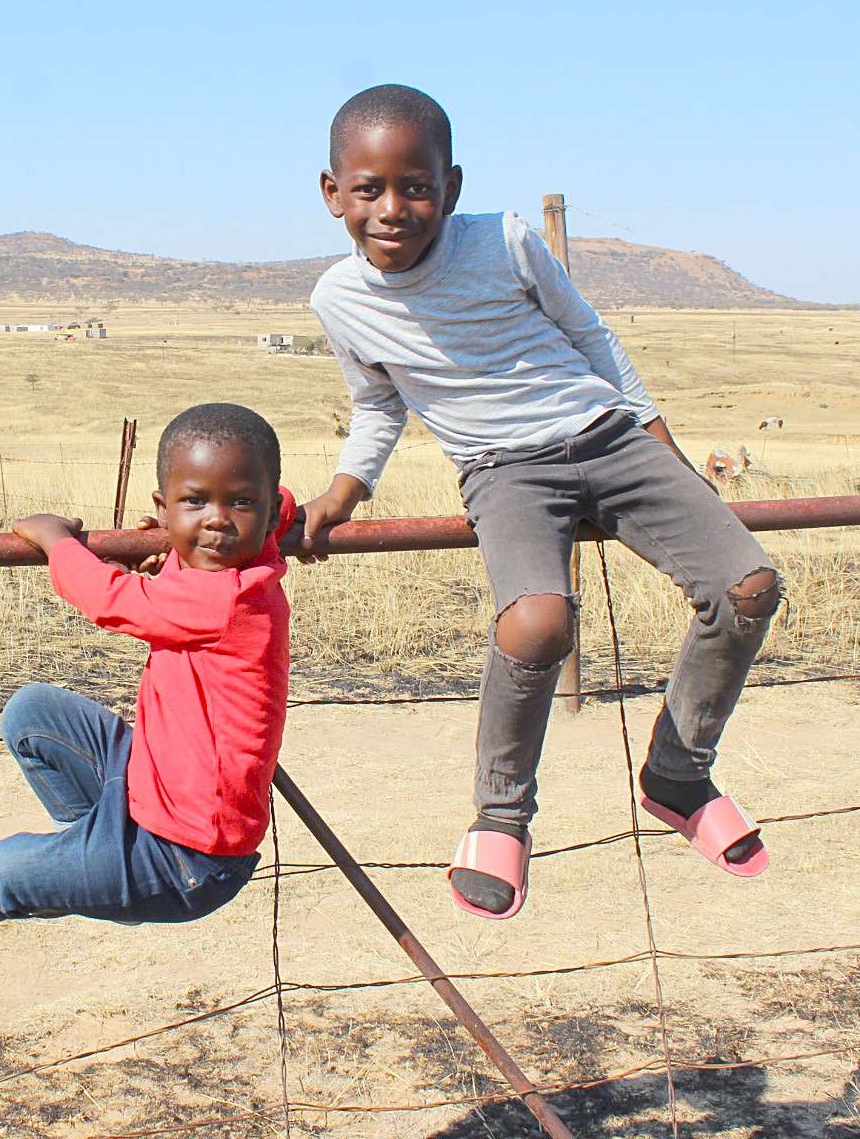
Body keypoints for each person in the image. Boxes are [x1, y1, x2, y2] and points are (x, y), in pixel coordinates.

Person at [299, 85, 782, 920]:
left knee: (748, 586)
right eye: (369, 189)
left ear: (450, 188)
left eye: (416, 186)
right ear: (332, 192)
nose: (393, 207)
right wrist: (346, 490)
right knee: (537, 623)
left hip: (608, 436)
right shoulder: (338, 301)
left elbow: (593, 337)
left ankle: (679, 771)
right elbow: (380, 402)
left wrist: (660, 443)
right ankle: (501, 814)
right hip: (502, 470)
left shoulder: (508, 243)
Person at [0, 404, 295, 958]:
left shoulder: (233, 596)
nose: (217, 519)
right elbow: (277, 505)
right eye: (195, 502)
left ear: (263, 508)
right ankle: (84, 855)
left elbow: (110, 598)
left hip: (186, 859)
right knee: (34, 712)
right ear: (163, 509)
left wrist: (55, 541)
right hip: (147, 790)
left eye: (242, 502)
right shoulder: (247, 543)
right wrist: (175, 547)